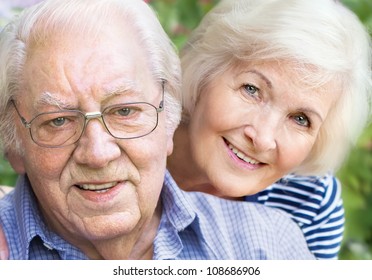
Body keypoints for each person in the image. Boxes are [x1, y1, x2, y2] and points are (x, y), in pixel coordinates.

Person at [0, 0, 315, 260]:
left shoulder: (268, 245)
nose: (97, 154)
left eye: (125, 111)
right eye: (58, 121)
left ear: (170, 121)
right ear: (14, 145)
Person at [167, 0, 372, 259]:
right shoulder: (127, 138)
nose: (263, 139)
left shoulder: (309, 201)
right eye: (252, 90)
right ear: (205, 72)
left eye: (300, 119)